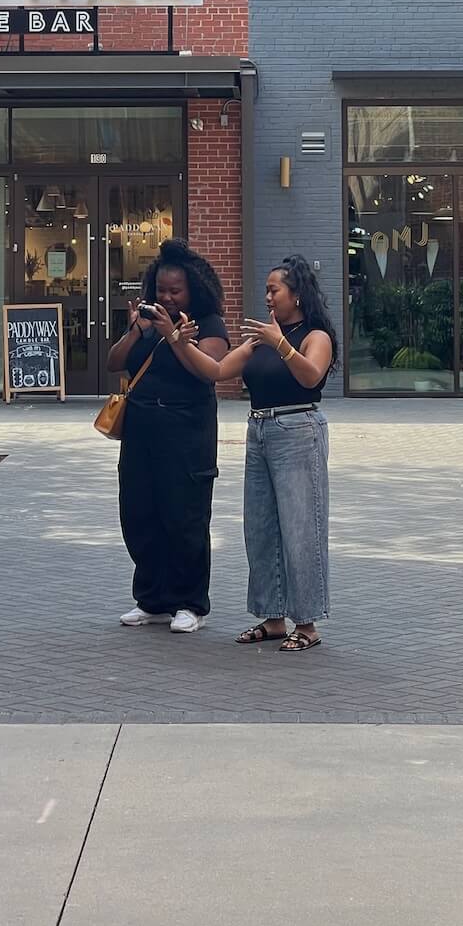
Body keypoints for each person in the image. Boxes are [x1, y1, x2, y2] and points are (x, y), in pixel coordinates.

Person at [171, 254, 336, 653]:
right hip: (259, 429)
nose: (267, 297)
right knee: (260, 527)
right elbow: (216, 370)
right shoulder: (259, 338)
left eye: (274, 290)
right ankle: (273, 618)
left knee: (300, 528)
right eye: (266, 290)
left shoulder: (315, 336)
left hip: (298, 429)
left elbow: (311, 376)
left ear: (297, 295)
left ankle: (307, 624)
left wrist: (280, 344)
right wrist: (180, 344)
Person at [105, 239, 230, 634]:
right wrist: (135, 331)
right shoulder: (147, 319)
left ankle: (190, 603)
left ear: (193, 289)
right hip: (142, 428)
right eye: (161, 289)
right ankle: (152, 600)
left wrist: (175, 337)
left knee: (184, 517)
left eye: (176, 291)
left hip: (187, 431)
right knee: (139, 512)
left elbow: (209, 369)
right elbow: (114, 362)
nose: (167, 297)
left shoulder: (208, 323)